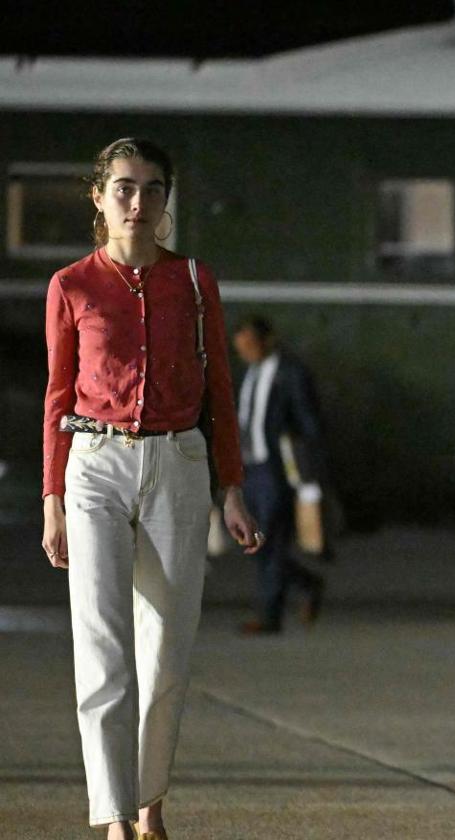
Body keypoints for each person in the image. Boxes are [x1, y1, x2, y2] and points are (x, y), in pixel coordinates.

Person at [41, 137, 261, 840]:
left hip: (179, 461)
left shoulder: (195, 281)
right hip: (95, 464)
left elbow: (220, 390)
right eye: (125, 188)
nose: (139, 203)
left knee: (167, 646)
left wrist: (232, 486)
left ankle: (149, 805)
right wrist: (52, 500)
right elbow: (55, 396)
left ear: (167, 199)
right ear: (100, 197)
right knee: (102, 645)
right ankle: (113, 817)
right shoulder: (72, 285)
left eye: (153, 189)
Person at [232, 315, 328, 634]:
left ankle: (270, 615)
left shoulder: (289, 373)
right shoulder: (250, 373)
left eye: (250, 345)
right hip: (250, 468)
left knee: (270, 539)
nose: (245, 353)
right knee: (253, 539)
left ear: (266, 340)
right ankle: (307, 582)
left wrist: (308, 471)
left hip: (277, 469)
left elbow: (308, 421)